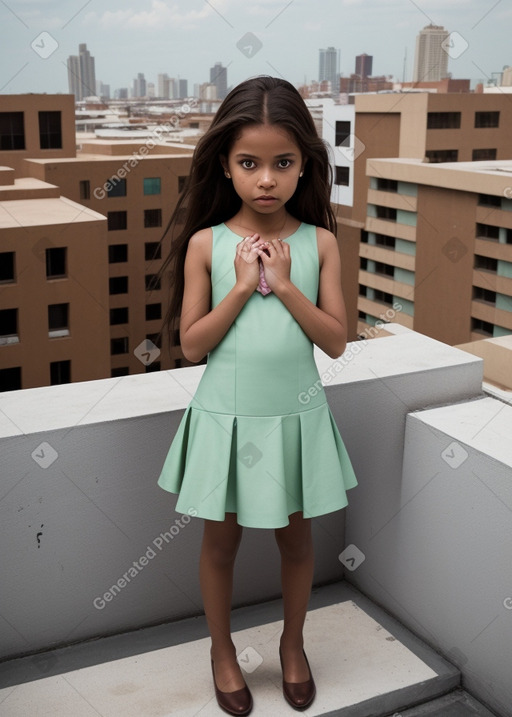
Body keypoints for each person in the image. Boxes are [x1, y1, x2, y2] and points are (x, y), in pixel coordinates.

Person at [155, 75, 358, 715]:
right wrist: (242, 285)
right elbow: (192, 346)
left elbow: (336, 342)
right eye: (249, 163)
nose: (265, 179)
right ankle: (222, 652)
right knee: (221, 544)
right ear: (225, 164)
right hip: (227, 421)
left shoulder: (320, 243)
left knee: (297, 543)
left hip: (294, 420)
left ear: (304, 167)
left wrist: (286, 284)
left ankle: (292, 645)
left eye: (282, 163)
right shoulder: (205, 245)